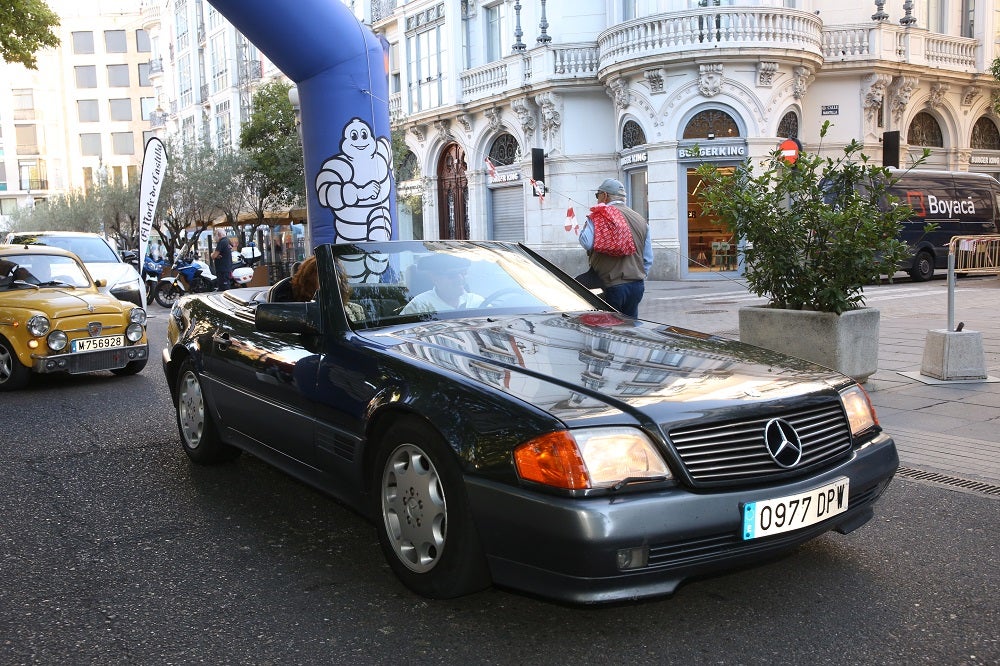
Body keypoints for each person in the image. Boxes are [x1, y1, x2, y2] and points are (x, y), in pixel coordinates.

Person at [578, 178, 653, 318]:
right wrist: (637, 276)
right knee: (630, 331)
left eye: (597, 195)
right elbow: (648, 258)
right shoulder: (641, 220)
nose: (597, 199)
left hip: (610, 284)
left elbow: (586, 242)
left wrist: (588, 222)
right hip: (636, 286)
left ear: (605, 195)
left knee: (609, 331)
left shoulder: (599, 215)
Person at [290, 255, 366, 323]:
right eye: (324, 280)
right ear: (308, 284)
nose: (331, 284)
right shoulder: (300, 313)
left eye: (335, 277)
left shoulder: (356, 310)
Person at [400, 253, 484, 315]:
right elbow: (402, 332)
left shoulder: (478, 302)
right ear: (435, 278)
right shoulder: (419, 306)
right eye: (453, 275)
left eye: (463, 273)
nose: (460, 279)